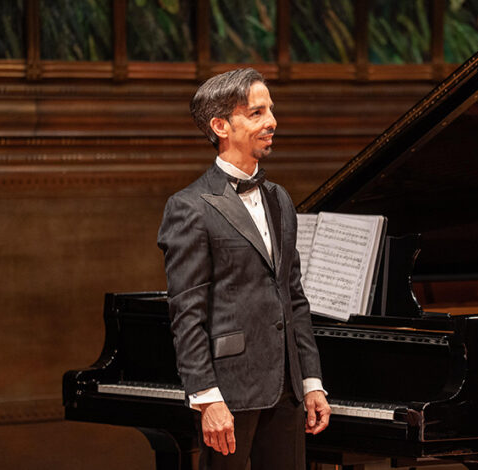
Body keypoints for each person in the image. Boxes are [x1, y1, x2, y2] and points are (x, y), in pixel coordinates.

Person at [157, 68, 330, 470]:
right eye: (256, 113)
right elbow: (186, 313)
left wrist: (311, 381)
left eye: (270, 110)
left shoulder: (279, 199)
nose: (272, 121)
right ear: (221, 126)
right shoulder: (189, 206)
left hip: (286, 389)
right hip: (229, 391)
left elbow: (293, 297)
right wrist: (206, 398)